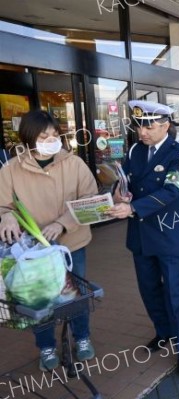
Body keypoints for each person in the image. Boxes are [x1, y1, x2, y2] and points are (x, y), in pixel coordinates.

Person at [0, 110, 98, 371]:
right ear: (29, 139)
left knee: (74, 295)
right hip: (34, 253)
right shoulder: (11, 169)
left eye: (55, 135)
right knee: (39, 299)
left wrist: (61, 223)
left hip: (71, 244)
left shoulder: (74, 164)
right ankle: (46, 346)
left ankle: (83, 338)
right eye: (44, 136)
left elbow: (90, 201)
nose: (51, 140)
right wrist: (6, 216)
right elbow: (3, 204)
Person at [106, 100, 179, 376]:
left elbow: (171, 192)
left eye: (149, 126)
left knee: (176, 292)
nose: (142, 132)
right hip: (142, 236)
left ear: (166, 125)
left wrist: (132, 207)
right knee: (149, 290)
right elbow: (126, 182)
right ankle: (164, 331)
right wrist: (119, 193)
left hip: (169, 234)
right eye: (139, 125)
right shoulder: (135, 151)